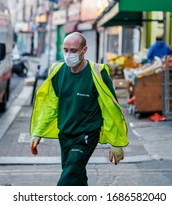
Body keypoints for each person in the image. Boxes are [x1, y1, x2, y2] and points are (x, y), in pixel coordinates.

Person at [30, 32, 128, 186]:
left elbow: (110, 110)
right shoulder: (57, 72)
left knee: (69, 176)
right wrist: (37, 132)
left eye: (73, 50)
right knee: (76, 175)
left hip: (86, 135)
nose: (68, 55)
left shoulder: (98, 73)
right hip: (66, 134)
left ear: (84, 50)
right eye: (66, 50)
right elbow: (51, 106)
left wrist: (116, 142)